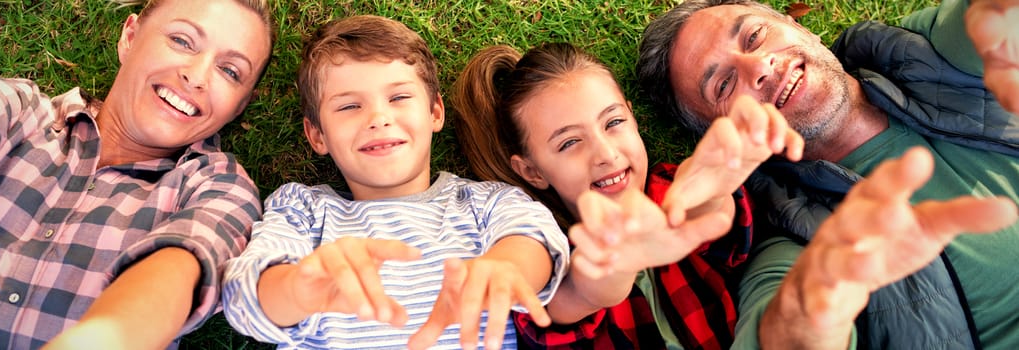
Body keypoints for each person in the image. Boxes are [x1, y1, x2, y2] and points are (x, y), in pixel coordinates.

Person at [637, 0, 1019, 348]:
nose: (758, 68)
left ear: (799, 27)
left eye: (754, 36)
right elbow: (782, 331)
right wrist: (808, 317)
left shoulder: (923, 52)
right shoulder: (791, 242)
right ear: (721, 136)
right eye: (724, 84)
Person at [220, 15, 570, 350]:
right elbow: (242, 298)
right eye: (349, 106)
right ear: (317, 135)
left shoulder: (484, 202)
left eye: (399, 97)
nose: (378, 118)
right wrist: (299, 289)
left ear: (434, 112)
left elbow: (536, 237)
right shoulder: (304, 212)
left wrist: (507, 268)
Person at [451, 42, 804, 349]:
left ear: (633, 119)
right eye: (570, 142)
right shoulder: (542, 249)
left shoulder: (668, 187)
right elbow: (574, 297)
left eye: (613, 122)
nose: (605, 153)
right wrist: (621, 258)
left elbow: (713, 227)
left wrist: (712, 191)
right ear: (532, 171)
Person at [0, 0, 273, 349]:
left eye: (230, 71)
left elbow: (178, 272)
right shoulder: (14, 112)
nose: (197, 76)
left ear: (240, 106)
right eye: (182, 40)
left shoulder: (220, 188)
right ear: (129, 37)